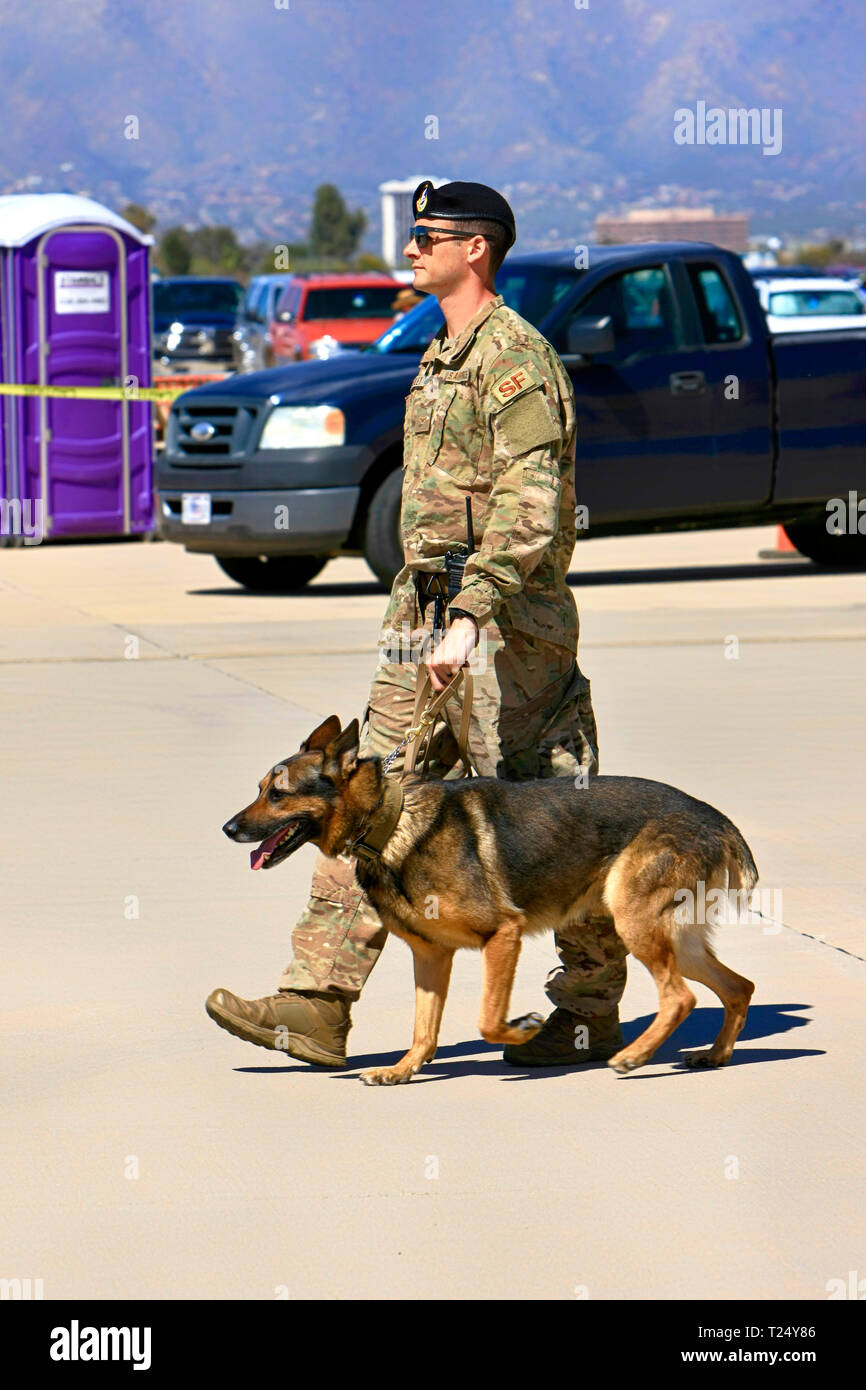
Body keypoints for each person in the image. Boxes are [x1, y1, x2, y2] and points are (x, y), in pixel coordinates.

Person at [206, 180, 627, 1069]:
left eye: (429, 235)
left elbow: (530, 505)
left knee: (557, 814)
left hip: (510, 632)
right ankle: (317, 1001)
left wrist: (474, 612)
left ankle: (588, 1007)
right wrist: (427, 615)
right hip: (420, 626)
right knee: (364, 804)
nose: (411, 248)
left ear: (477, 248)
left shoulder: (518, 361)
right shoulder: (439, 354)